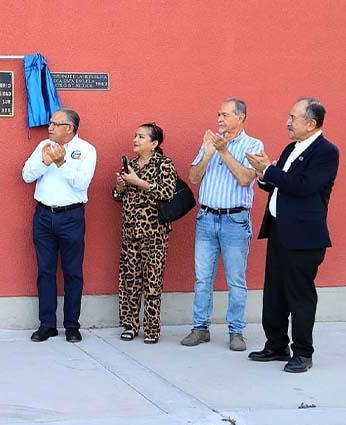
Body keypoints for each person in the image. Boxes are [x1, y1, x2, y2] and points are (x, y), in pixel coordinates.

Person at [245, 97, 339, 373]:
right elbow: (279, 185)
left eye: (293, 117)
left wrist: (269, 170)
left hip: (304, 237)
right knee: (274, 292)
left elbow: (303, 186)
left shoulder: (326, 152)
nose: (287, 122)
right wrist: (263, 175)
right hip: (279, 231)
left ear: (311, 124)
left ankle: (302, 353)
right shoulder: (291, 148)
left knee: (299, 295)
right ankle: (276, 345)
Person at [181, 98, 263, 351]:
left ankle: (236, 331)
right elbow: (193, 177)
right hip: (206, 218)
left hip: (234, 221)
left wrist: (224, 151)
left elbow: (245, 178)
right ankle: (200, 328)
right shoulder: (211, 142)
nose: (219, 119)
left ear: (240, 117)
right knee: (202, 278)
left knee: (235, 279)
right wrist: (208, 153)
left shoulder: (253, 145)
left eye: (225, 115)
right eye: (218, 114)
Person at [22, 108, 96, 343]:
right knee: (45, 271)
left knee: (73, 272)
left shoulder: (87, 150)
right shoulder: (43, 146)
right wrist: (45, 162)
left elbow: (82, 183)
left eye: (55, 124)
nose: (50, 127)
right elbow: (26, 175)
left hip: (71, 217)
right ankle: (47, 325)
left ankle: (72, 326)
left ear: (69, 128)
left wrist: (62, 162)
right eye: (50, 123)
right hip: (44, 215)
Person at [112, 123, 177, 343]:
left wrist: (138, 182)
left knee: (152, 282)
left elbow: (167, 192)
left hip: (154, 233)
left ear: (154, 143)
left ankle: (151, 329)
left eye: (141, 136)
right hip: (130, 232)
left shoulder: (164, 164)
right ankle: (130, 325)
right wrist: (121, 186)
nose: (135, 140)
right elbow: (117, 196)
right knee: (129, 281)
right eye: (135, 135)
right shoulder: (130, 165)